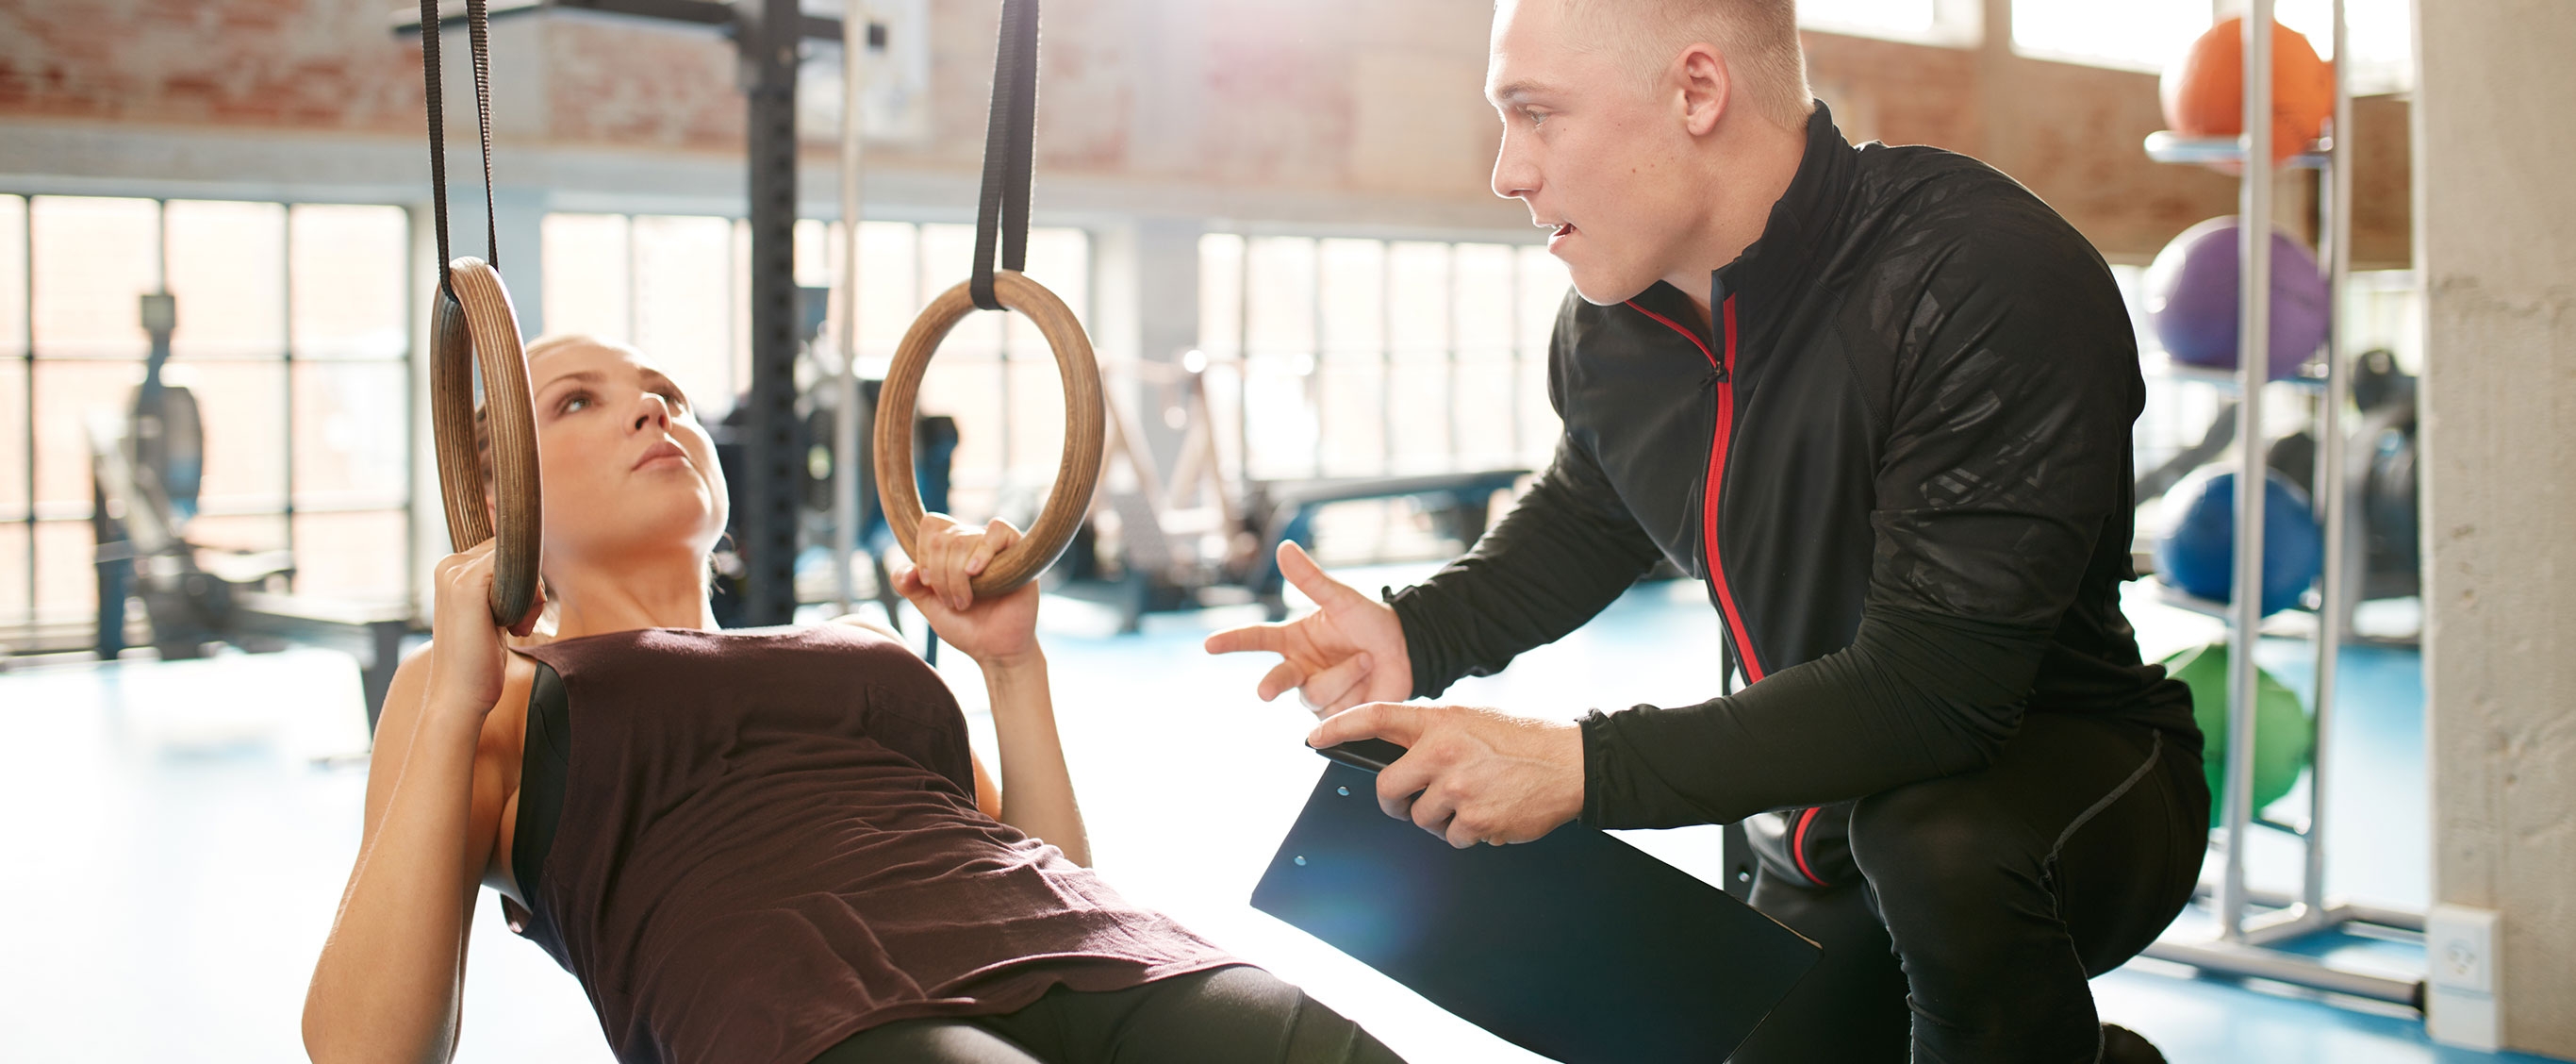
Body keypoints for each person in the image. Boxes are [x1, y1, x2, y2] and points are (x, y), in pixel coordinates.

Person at [1207, 2, 2204, 1061]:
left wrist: (1580, 765)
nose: (1506, 171)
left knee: (1933, 844)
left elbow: (1934, 694)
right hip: (1811, 817)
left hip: (2056, 799)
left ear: (1695, 91)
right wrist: (1419, 633)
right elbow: (1592, 513)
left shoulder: (1979, 276)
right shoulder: (1610, 324)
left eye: (1535, 114)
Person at [302, 335, 1403, 1064]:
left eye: (667, 396)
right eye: (581, 402)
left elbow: (1043, 867)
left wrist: (1011, 669)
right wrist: (449, 703)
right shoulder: (495, 687)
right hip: (816, 1017)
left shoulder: (861, 644)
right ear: (499, 493)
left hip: (1094, 947)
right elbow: (363, 1049)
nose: (653, 412)